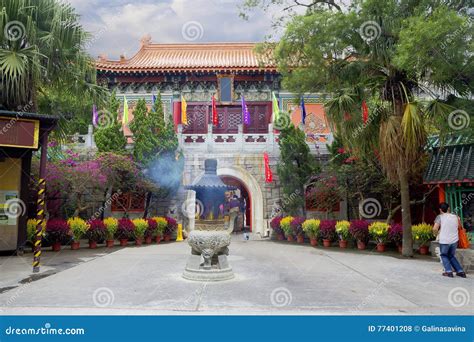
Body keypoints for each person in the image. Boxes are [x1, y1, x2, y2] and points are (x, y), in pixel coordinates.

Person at [433, 202, 466, 278]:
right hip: (454, 240)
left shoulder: (439, 217)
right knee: (451, 255)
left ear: (440, 210)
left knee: (444, 255)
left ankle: (448, 271)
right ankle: (460, 271)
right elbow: (459, 227)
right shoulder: (456, 217)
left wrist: (436, 234)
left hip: (444, 240)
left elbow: (435, 228)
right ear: (448, 208)